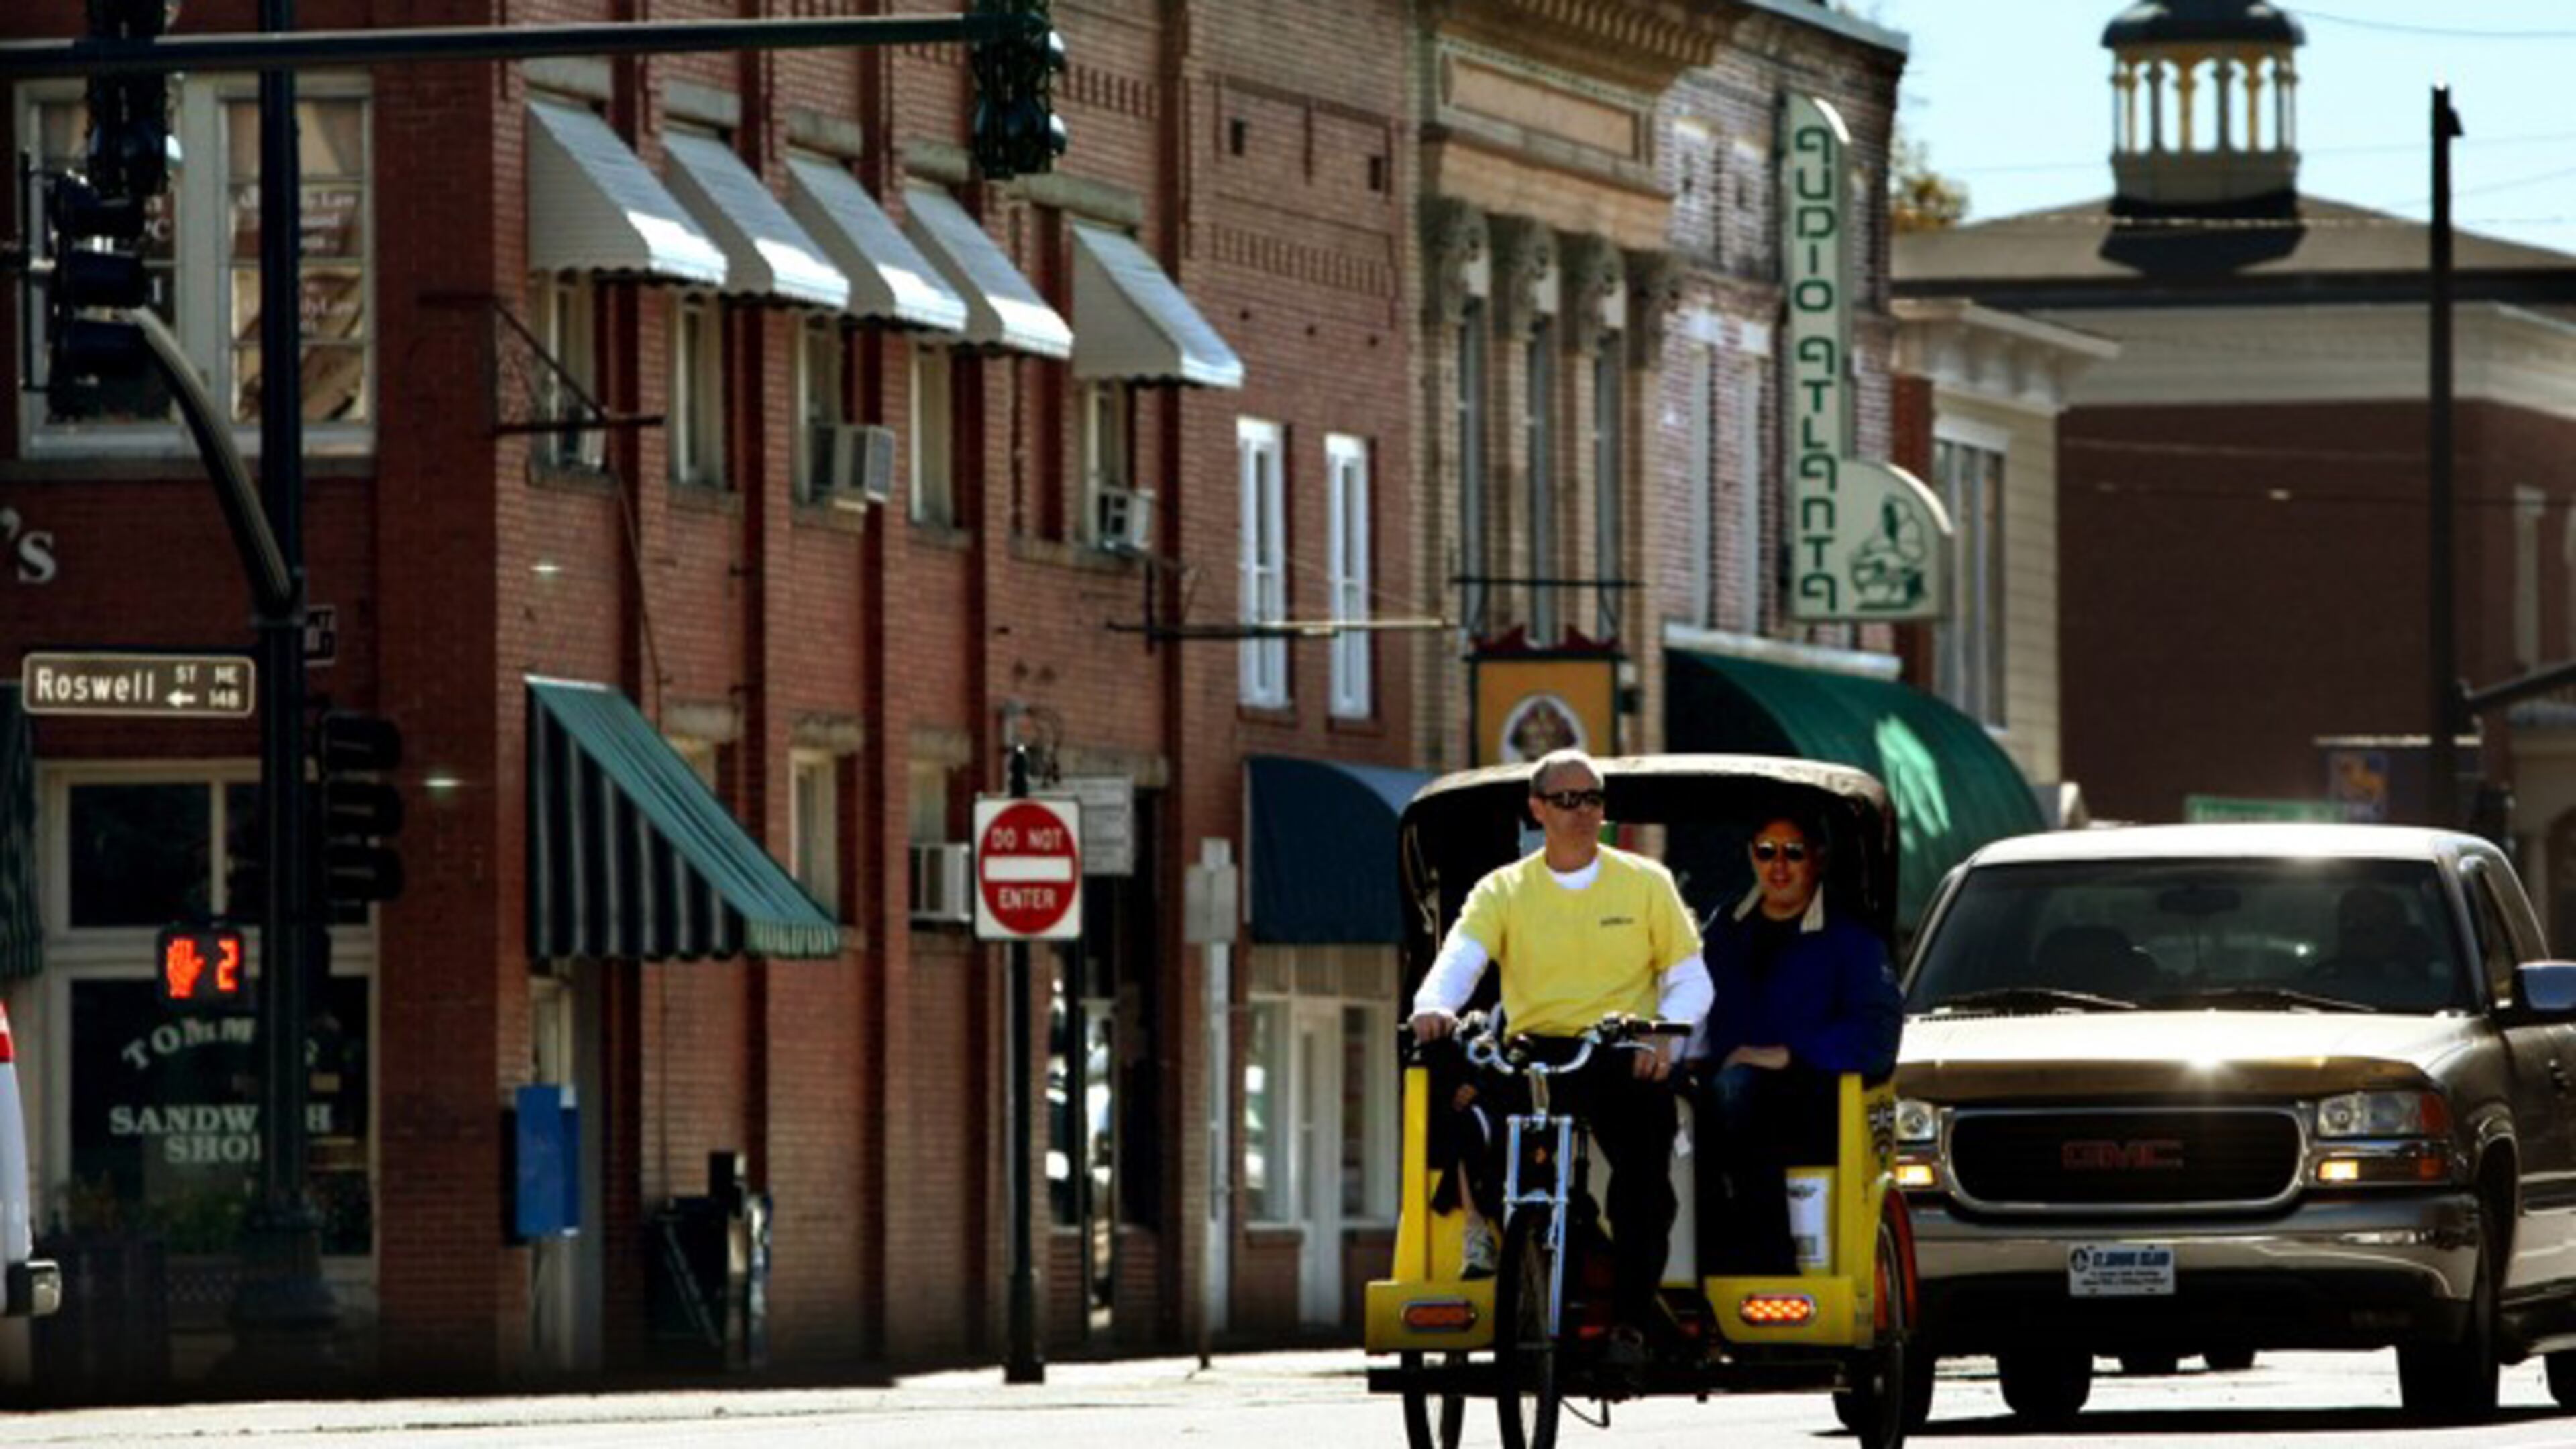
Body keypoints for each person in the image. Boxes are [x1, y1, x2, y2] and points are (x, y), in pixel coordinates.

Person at [1410, 749, 1713, 1360]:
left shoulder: (1645, 881)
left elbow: (1692, 979)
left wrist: (1665, 1035)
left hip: (1619, 1047)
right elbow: (1459, 961)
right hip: (1535, 1052)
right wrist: (1434, 1005)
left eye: (1594, 799)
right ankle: (1524, 1255)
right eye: (1568, 800)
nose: (1582, 812)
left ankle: (1629, 1320)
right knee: (1492, 1149)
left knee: (1645, 1185)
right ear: (1538, 809)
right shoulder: (1505, 889)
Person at [1688, 811, 1902, 1276]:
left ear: (1818, 859)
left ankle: (1765, 1272)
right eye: (1766, 852)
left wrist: (1790, 1053)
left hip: (1813, 1096)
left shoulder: (1852, 942)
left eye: (1793, 853)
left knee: (1737, 1092)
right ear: (1751, 856)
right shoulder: (1722, 932)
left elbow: (1878, 1035)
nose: (1778, 867)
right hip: (1720, 1094)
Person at [2312, 884, 2433, 985]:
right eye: (2350, 926)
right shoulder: (2319, 979)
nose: (2360, 933)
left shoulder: (2429, 973)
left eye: (2374, 924)